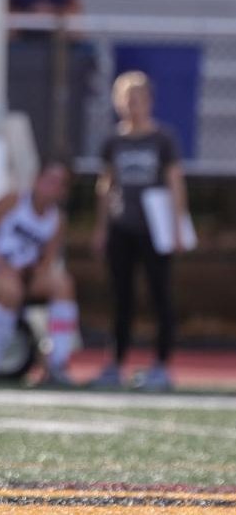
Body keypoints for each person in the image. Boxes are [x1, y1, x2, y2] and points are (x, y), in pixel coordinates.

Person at [92, 71, 188, 392]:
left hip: (154, 229)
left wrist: (176, 227)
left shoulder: (163, 138)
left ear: (149, 101)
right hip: (122, 227)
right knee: (121, 298)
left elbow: (175, 181)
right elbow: (106, 186)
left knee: (160, 295)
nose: (133, 105)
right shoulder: (113, 141)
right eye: (127, 99)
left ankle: (161, 364)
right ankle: (116, 362)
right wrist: (101, 227)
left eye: (139, 98)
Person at [0, 161, 79, 385]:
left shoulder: (57, 220)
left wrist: (31, 271)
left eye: (58, 183)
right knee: (10, 289)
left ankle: (58, 363)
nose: (51, 187)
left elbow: (47, 260)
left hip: (23, 276)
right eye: (49, 180)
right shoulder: (13, 201)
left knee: (63, 284)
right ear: (37, 180)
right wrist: (3, 266)